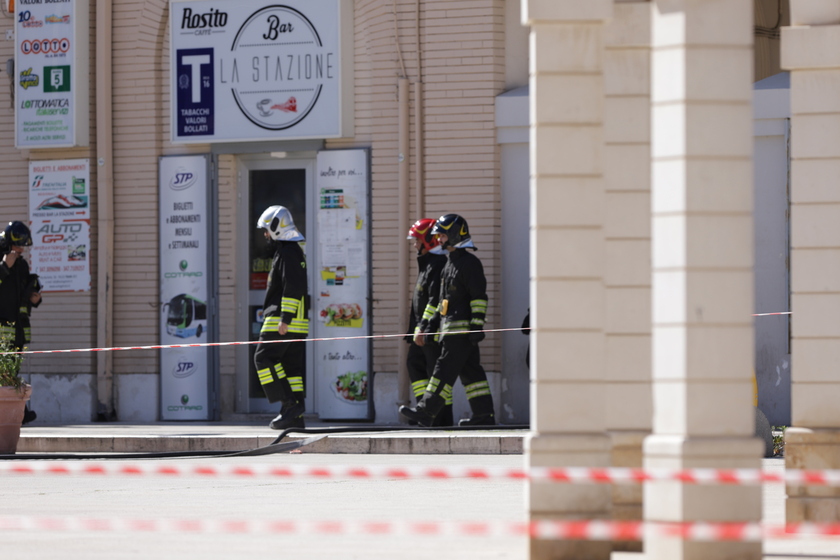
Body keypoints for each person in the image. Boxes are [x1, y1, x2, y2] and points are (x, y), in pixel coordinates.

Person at [400, 213, 495, 427]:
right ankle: (484, 416)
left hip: (460, 332)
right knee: (472, 375)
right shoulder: (450, 264)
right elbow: (440, 301)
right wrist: (430, 325)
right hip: (449, 330)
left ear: (453, 235)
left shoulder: (469, 263)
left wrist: (476, 326)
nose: (439, 240)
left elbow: (479, 298)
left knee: (442, 371)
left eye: (442, 236)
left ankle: (426, 411)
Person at [254, 206, 309, 430]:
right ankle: (295, 416)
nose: (265, 235)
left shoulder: (288, 252)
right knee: (291, 369)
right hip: (297, 322)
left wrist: (285, 318)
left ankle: (289, 405)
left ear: (277, 228)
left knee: (263, 359)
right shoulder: (292, 251)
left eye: (267, 230)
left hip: (283, 320)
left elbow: (292, 287)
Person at [404, 218, 451, 426]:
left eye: (418, 241)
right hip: (421, 330)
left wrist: (424, 327)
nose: (415, 245)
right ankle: (424, 410)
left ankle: (439, 419)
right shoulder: (427, 264)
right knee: (414, 364)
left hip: (431, 331)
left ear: (429, 241)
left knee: (435, 373)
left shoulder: (437, 265)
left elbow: (434, 301)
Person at [0, 221, 42, 425]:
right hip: (1, 330)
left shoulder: (22, 265)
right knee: (4, 372)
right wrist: (4, 267)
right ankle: (19, 412)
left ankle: (19, 413)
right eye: (19, 244)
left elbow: (23, 295)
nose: (21, 249)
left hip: (17, 330)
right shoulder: (2, 260)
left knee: (12, 371)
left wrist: (36, 299)